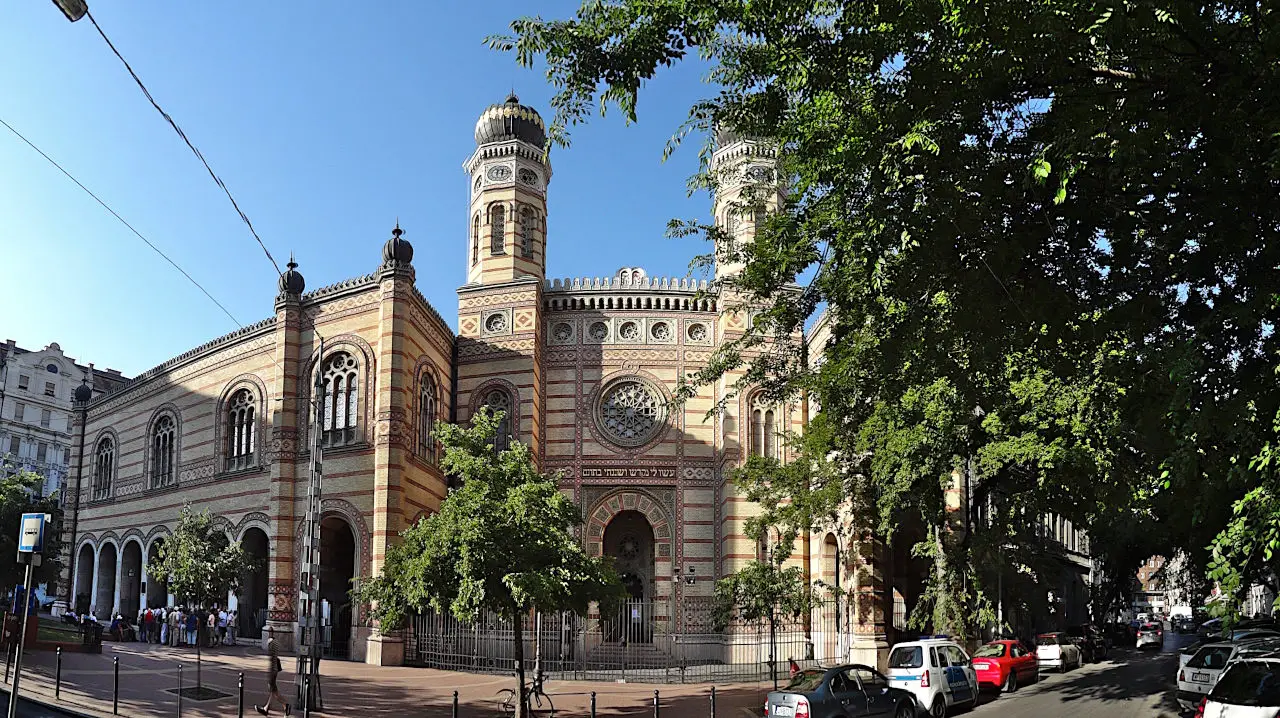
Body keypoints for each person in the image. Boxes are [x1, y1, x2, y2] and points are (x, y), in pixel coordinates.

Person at [255, 628, 291, 715]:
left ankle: (285, 705)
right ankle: (266, 708)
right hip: (274, 669)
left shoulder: (271, 643)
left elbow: (272, 655)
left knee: (273, 691)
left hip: (273, 670)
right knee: (272, 690)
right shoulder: (274, 642)